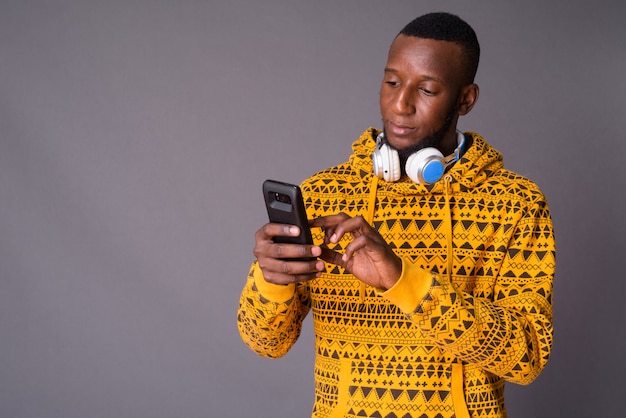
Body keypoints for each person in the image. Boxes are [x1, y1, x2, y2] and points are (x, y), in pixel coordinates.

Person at [237, 12, 555, 418]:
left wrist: (403, 281)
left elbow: (526, 357)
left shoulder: (515, 204)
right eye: (391, 83)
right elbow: (266, 342)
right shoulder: (322, 195)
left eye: (426, 89)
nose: (400, 104)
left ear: (465, 99)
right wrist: (272, 282)